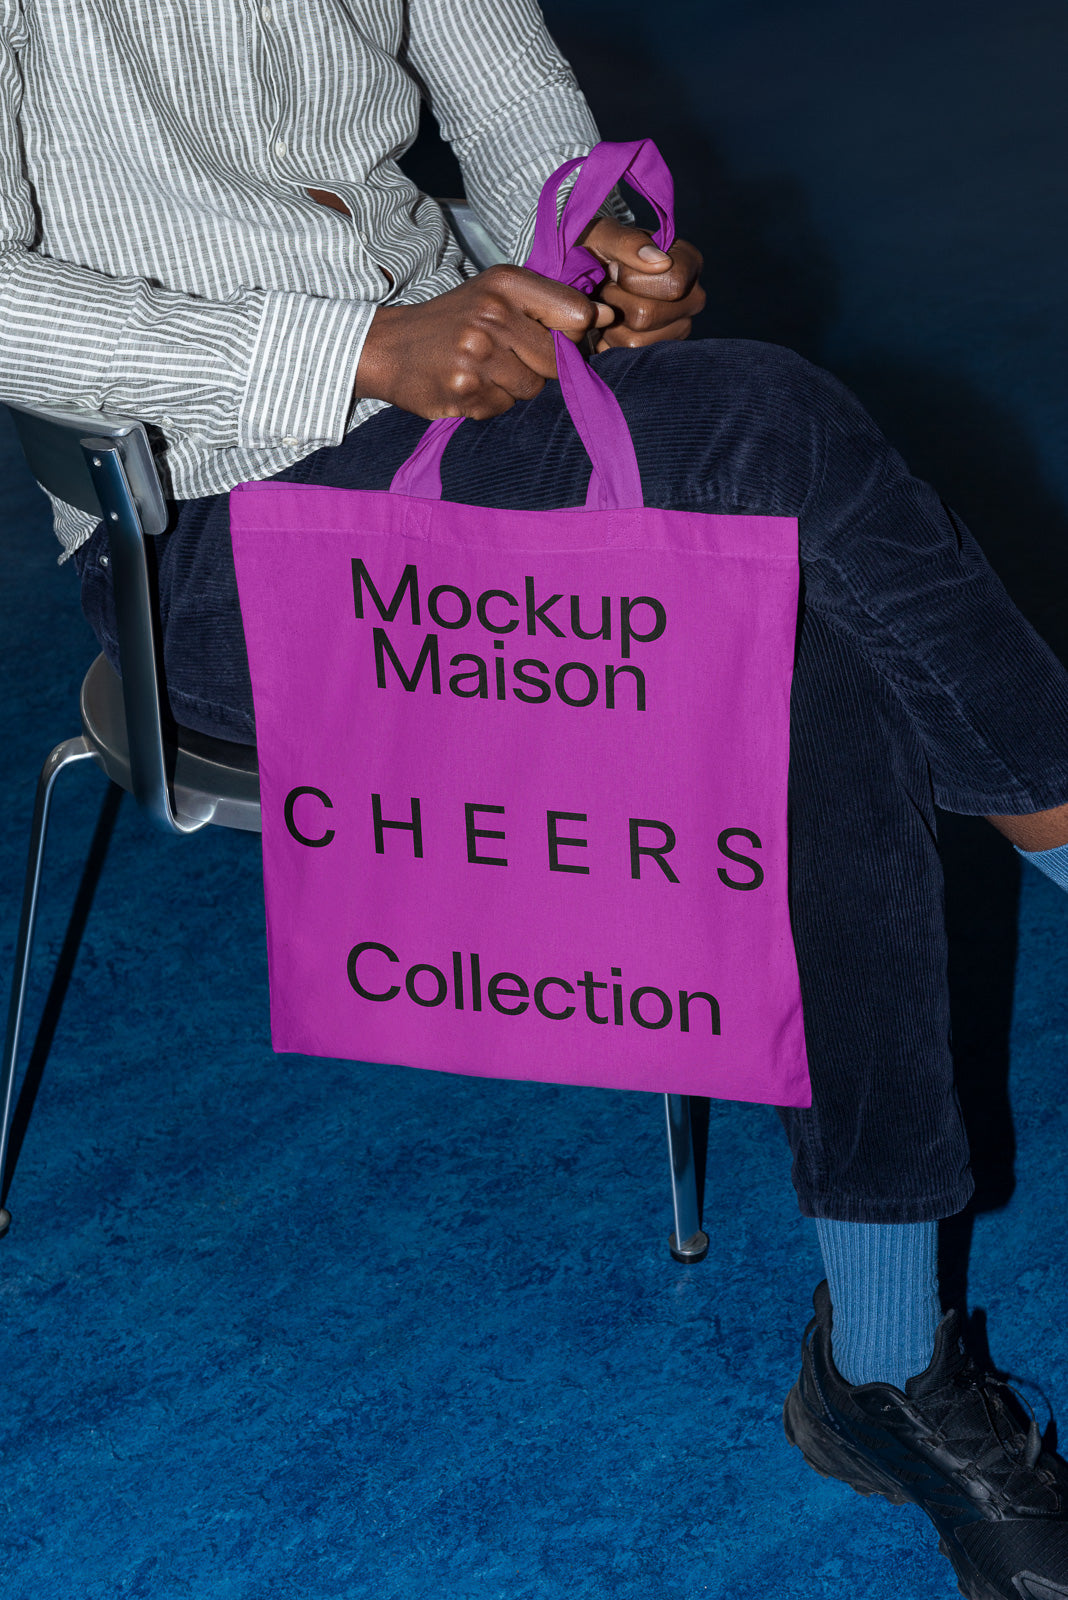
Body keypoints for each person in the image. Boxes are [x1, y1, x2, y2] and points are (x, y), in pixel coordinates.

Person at [4, 3, 1068, 1594]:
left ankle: (886, 1363)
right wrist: (352, 347)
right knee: (775, 430)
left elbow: (512, 112)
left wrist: (600, 246)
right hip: (211, 526)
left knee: (810, 628)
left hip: (465, 407)